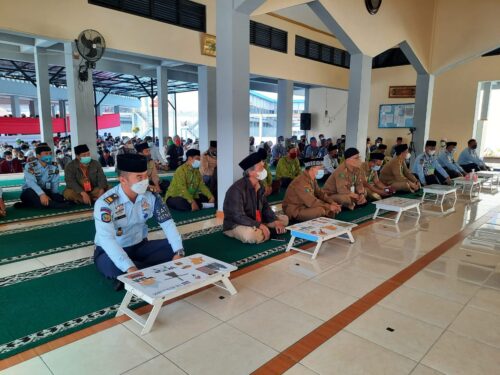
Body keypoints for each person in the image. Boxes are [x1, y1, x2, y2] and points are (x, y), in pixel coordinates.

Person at [93, 153, 184, 290]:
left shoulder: (151, 197)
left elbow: (167, 223)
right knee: (112, 266)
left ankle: (133, 275)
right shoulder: (105, 204)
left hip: (140, 246)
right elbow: (107, 240)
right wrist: (129, 267)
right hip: (110, 250)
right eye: (139, 177)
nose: (145, 181)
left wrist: (178, 252)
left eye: (146, 175)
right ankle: (138, 270)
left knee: (174, 248)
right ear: (123, 180)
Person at [223, 152, 288, 244]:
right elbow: (238, 217)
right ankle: (261, 229)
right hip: (236, 224)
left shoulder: (259, 185)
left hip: (255, 219)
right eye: (261, 168)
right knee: (252, 235)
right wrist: (259, 225)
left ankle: (262, 228)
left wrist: (275, 220)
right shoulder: (237, 189)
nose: (264, 170)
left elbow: (265, 208)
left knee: (284, 219)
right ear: (251, 172)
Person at [16, 144, 70, 209]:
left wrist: (55, 195)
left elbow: (55, 182)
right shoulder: (30, 166)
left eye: (50, 153)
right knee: (33, 196)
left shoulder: (54, 165)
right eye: (46, 154)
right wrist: (42, 194)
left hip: (45, 190)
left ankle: (33, 204)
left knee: (58, 197)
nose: (49, 156)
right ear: (38, 156)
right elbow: (31, 182)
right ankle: (53, 205)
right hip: (30, 191)